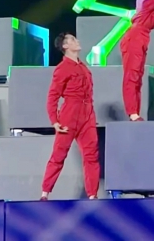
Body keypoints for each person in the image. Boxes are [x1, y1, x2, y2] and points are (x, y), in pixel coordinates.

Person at [41, 32, 99, 200]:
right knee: (59, 155)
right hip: (70, 114)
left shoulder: (83, 66)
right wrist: (54, 120)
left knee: (91, 155)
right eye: (72, 40)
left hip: (87, 114)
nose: (77, 41)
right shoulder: (62, 69)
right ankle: (45, 193)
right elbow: (53, 96)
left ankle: (92, 195)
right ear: (65, 46)